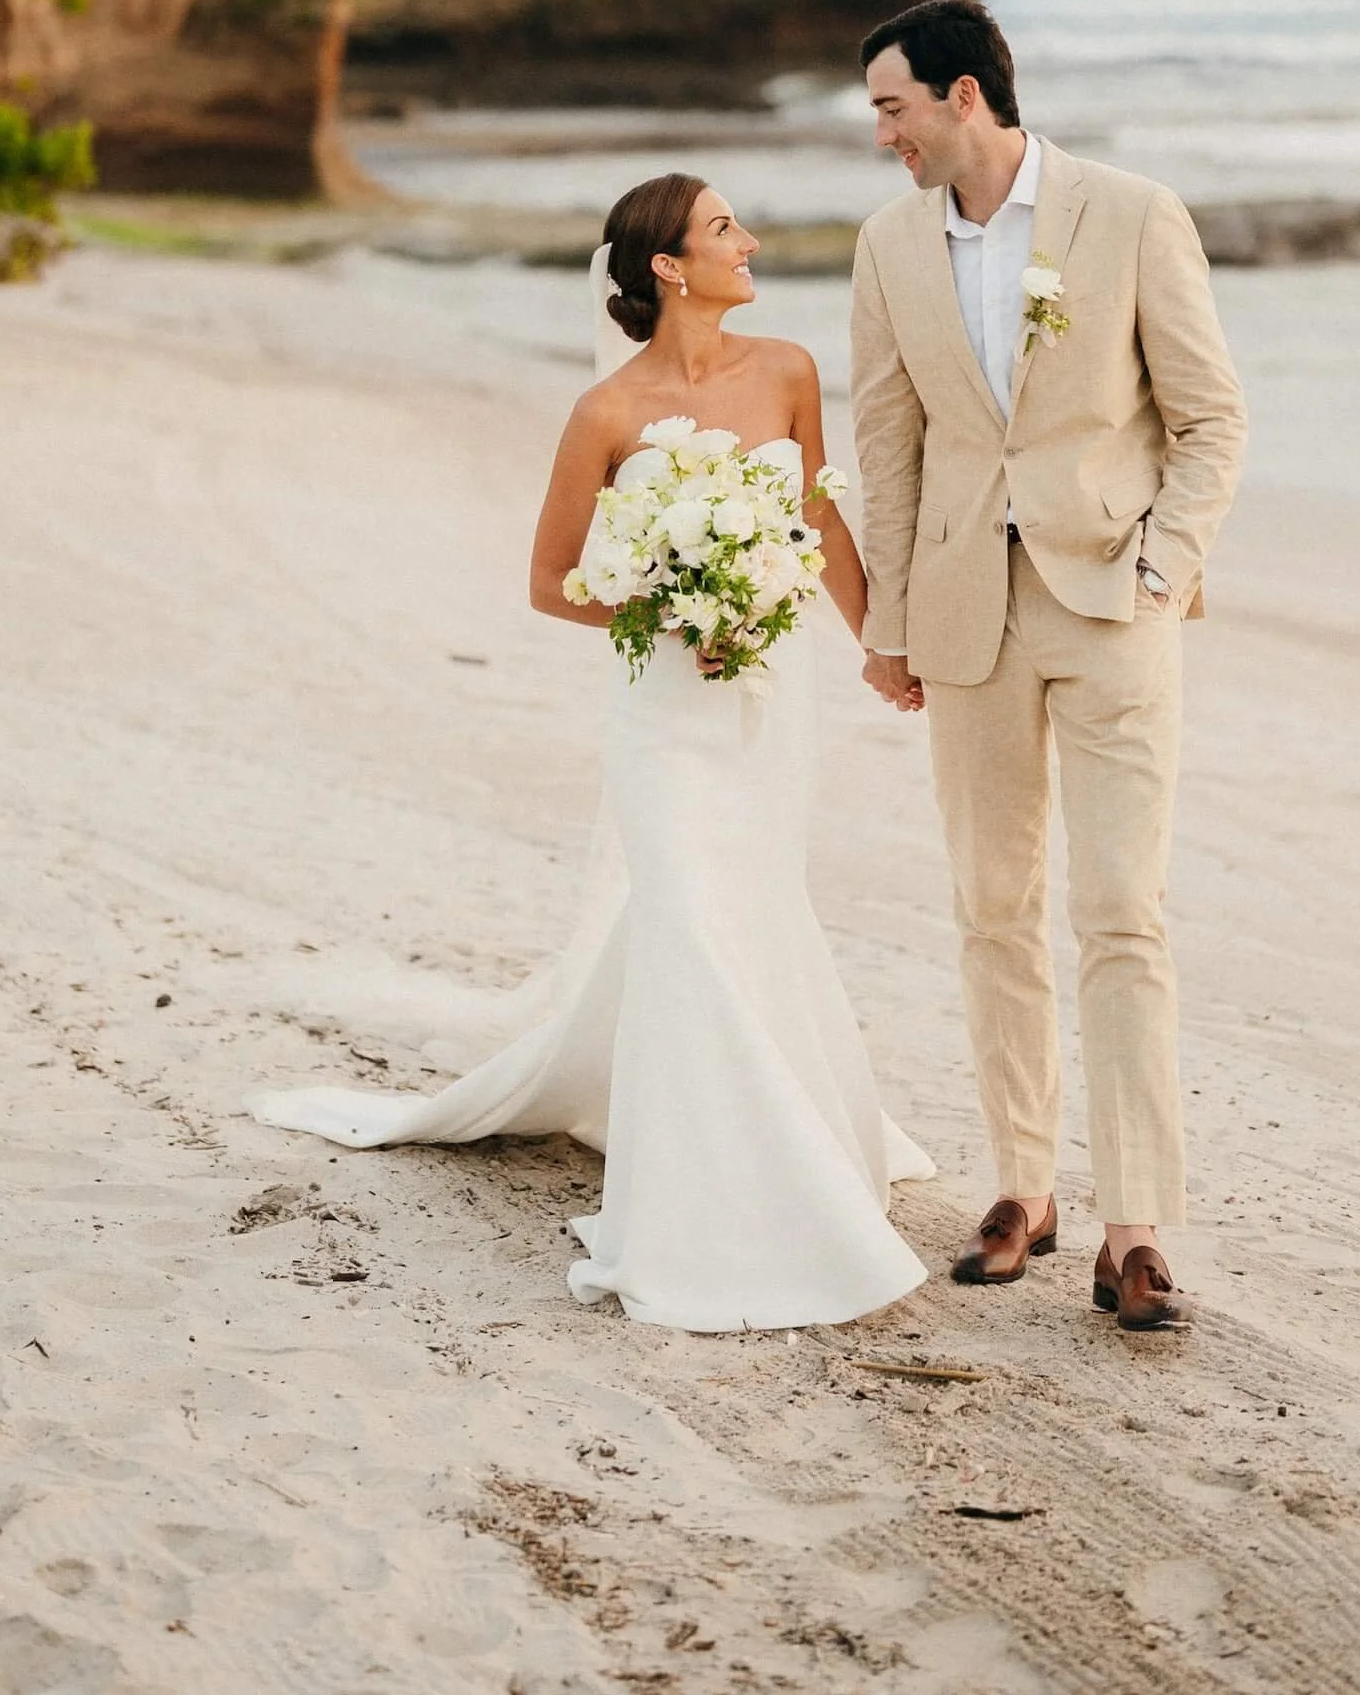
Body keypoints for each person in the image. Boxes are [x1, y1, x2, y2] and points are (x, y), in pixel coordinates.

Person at [250, 172, 930, 1334]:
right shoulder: (606, 412)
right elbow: (550, 580)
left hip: (768, 695)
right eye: (725, 229)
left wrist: (879, 644)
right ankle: (705, 1197)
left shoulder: (788, 372)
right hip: (665, 703)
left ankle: (787, 1130)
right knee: (683, 915)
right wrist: (671, 612)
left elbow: (818, 525)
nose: (749, 240)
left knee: (754, 902)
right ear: (668, 264)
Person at [850, 0, 1246, 1332]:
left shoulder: (1130, 216)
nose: (883, 138)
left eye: (892, 110)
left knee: (1123, 911)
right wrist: (887, 625)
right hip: (965, 621)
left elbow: (1209, 418)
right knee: (990, 908)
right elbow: (890, 446)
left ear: (965, 98)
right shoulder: (888, 246)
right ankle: (1022, 1187)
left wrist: (1158, 569)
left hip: (1110, 607)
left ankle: (1134, 1228)